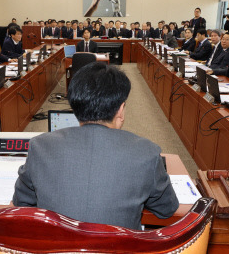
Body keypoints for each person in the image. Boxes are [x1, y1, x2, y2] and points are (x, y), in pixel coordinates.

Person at [13, 62, 179, 230]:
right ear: (121, 110)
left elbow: (22, 202)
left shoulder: (40, 146)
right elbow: (167, 208)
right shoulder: (147, 153)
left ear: (75, 106)